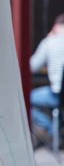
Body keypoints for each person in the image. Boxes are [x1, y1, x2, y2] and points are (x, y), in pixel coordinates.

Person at [30, 14, 64, 148]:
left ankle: (53, 131)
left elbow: (31, 67)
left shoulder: (50, 42)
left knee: (26, 99)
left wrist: (49, 37)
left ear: (55, 26)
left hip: (58, 94)